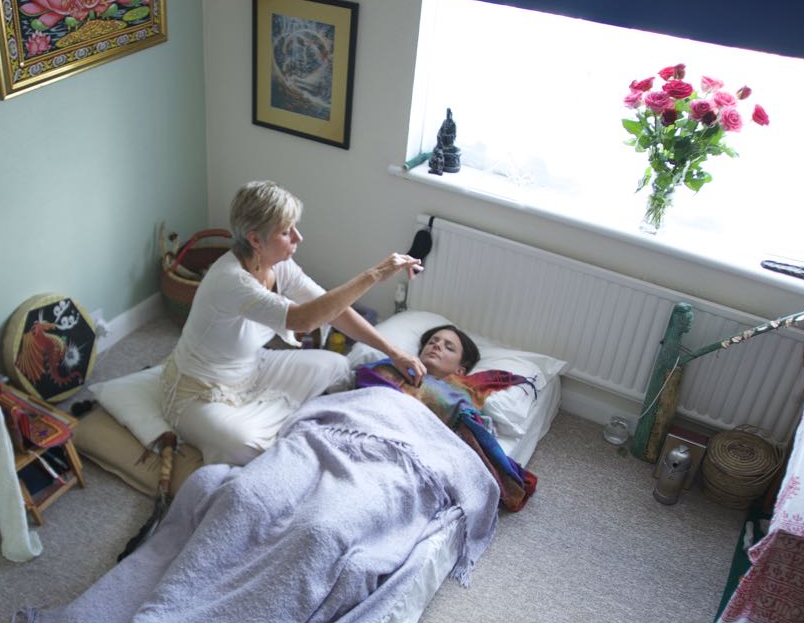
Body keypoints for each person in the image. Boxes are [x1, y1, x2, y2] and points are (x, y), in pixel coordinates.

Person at [160, 180, 426, 466]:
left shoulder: (278, 265)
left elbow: (333, 310)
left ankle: (290, 428)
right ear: (255, 240)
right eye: (286, 232)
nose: (298, 237)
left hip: (253, 367)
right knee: (246, 447)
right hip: (200, 391)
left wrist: (394, 352)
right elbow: (303, 320)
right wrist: (373, 275)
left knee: (338, 366)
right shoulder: (231, 281)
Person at [355, 323, 539, 511]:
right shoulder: (389, 365)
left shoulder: (457, 396)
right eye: (432, 342)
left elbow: (467, 434)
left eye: (448, 347)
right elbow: (365, 384)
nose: (436, 345)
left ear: (460, 370)